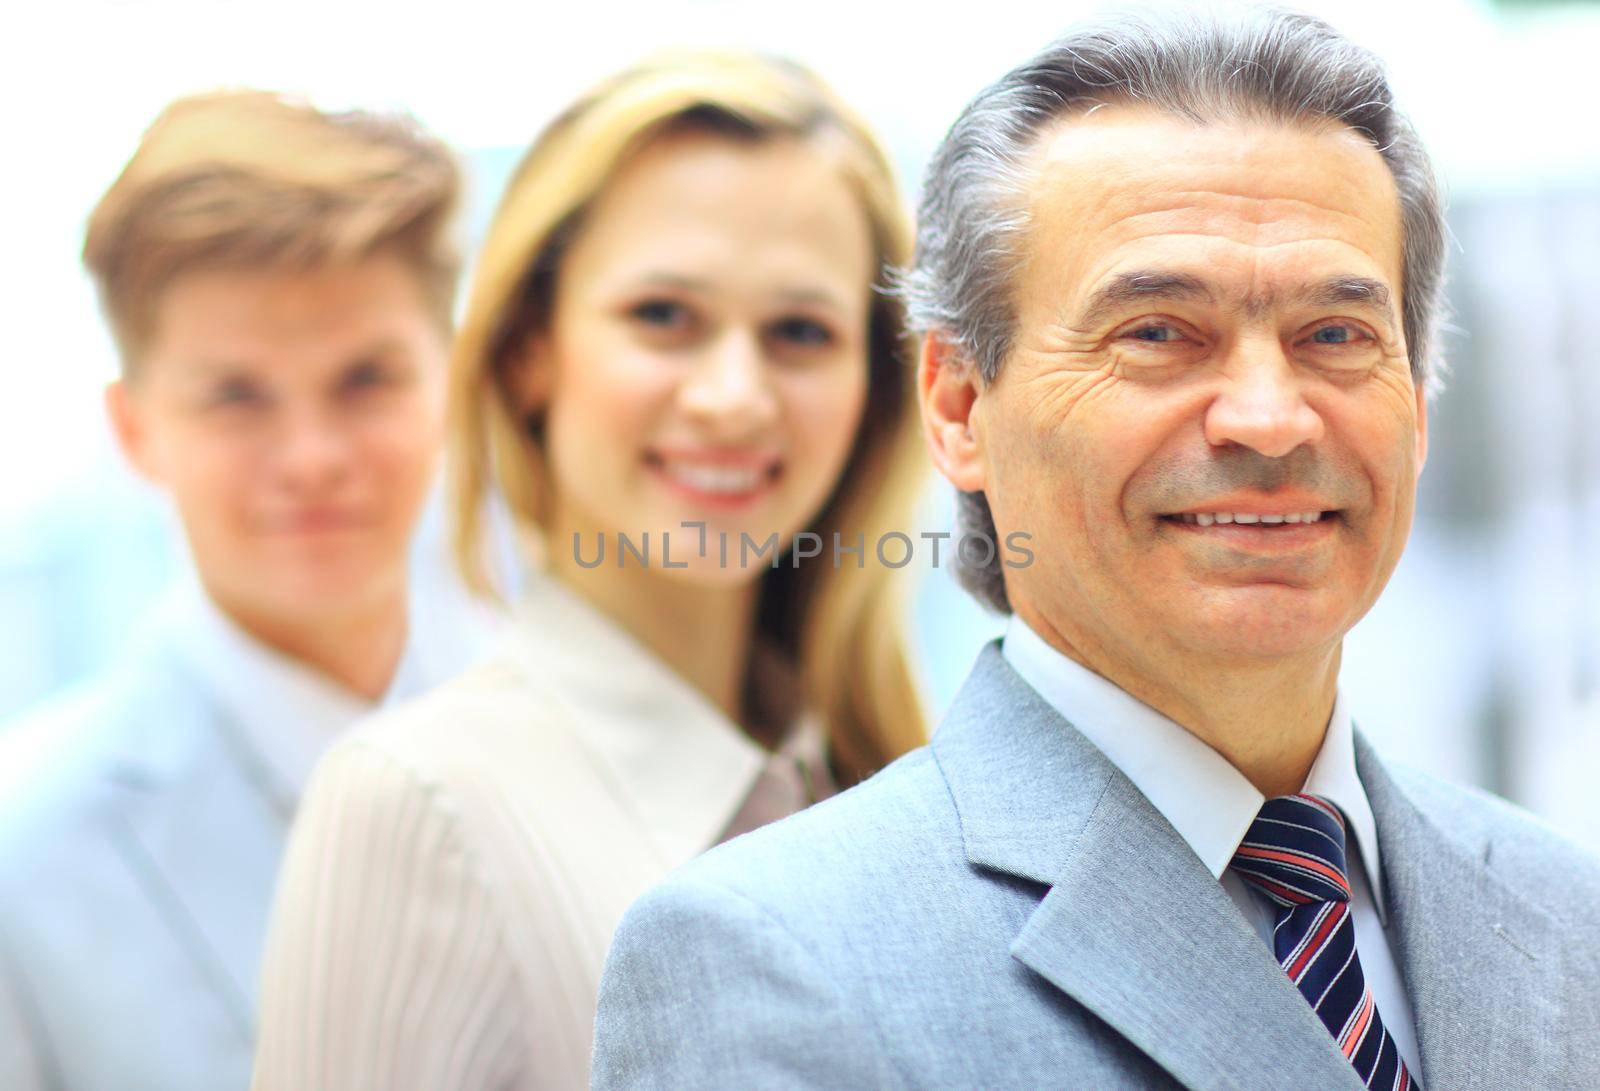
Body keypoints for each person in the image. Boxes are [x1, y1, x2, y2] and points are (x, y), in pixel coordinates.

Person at [592, 11, 1600, 1090]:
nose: (1269, 417)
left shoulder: (1564, 913)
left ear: (1416, 400)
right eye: (1159, 332)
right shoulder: (766, 959)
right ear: (960, 404)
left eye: (1335, 335)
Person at [250, 51, 927, 1090]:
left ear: (871, 392)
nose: (733, 396)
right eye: (664, 315)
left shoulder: (896, 783)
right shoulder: (418, 805)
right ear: (530, 351)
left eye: (799, 331)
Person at [0, 91, 491, 1091]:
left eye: (366, 379)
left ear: (450, 384)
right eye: (235, 395)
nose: (311, 458)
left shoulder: (598, 732)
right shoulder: (23, 852)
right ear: (134, 430)